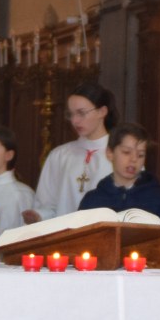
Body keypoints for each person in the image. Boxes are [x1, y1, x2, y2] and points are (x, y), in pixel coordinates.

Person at [33, 81, 115, 219]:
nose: (74, 121)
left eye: (81, 113)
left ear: (102, 111)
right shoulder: (59, 155)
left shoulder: (122, 155)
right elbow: (46, 205)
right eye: (71, 114)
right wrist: (38, 215)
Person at [79, 124, 160, 218]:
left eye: (140, 155)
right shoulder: (92, 200)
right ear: (110, 153)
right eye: (126, 152)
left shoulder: (158, 199)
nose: (134, 159)